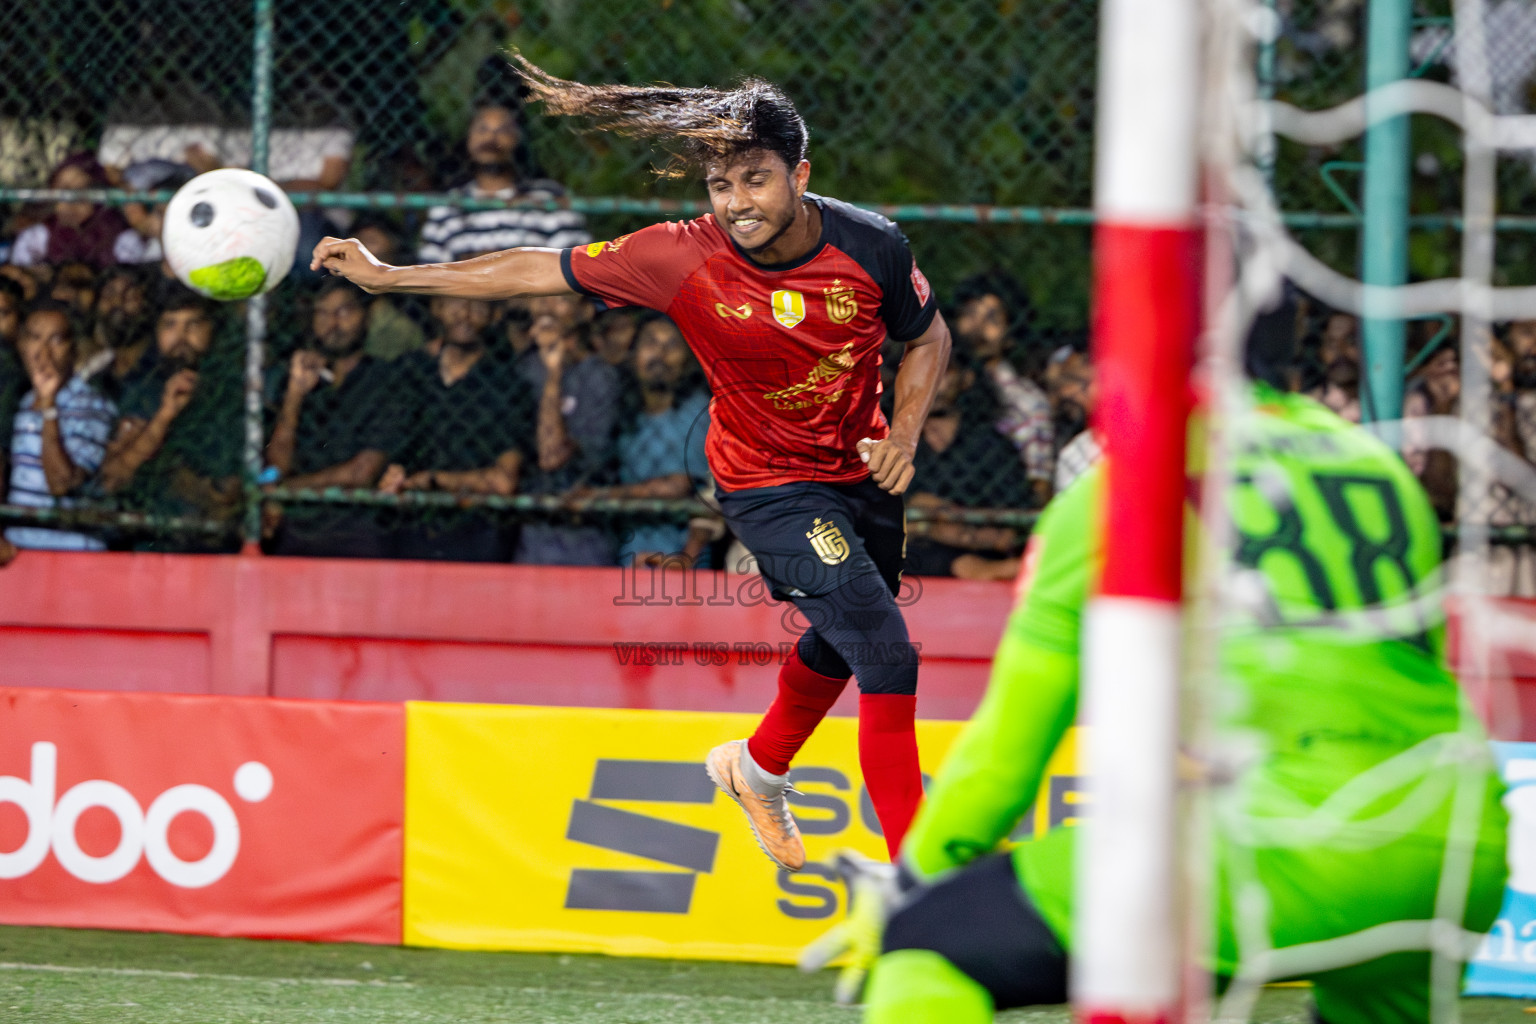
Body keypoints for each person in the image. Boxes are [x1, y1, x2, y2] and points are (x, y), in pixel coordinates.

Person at [311, 59, 952, 868]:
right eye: (721, 185)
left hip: (858, 470)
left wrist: (902, 438)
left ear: (801, 175)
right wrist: (393, 275)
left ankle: (757, 768)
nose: (737, 204)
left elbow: (928, 336)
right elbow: (536, 268)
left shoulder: (873, 246)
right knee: (886, 650)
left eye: (755, 180)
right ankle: (921, 889)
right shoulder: (680, 255)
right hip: (766, 482)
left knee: (847, 629)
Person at [836, 296, 1509, 1024]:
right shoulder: (1375, 467)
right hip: (1459, 838)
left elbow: (1005, 760)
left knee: (928, 946)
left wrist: (912, 885)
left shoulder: (1127, 488)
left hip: (1295, 843)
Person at [262, 279, 412, 558]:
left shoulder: (386, 379)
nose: (333, 323)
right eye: (322, 313)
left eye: (344, 311)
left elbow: (362, 473)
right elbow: (275, 466)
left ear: (365, 317)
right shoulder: (299, 378)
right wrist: (295, 395)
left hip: (356, 529)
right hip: (298, 528)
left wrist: (284, 490)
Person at [381, 295, 535, 562]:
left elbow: (503, 481)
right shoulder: (412, 373)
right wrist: (392, 475)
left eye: (476, 305)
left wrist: (434, 480)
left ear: (494, 315)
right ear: (436, 307)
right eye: (454, 303)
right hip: (413, 528)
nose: (464, 315)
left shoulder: (505, 385)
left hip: (478, 533)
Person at [98, 286, 243, 546]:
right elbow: (114, 478)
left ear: (211, 330)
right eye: (170, 325)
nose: (181, 336)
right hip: (146, 540)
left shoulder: (231, 394)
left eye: (193, 324)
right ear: (157, 333)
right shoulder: (140, 390)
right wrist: (165, 414)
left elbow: (228, 496)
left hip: (211, 547)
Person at [577, 314, 714, 566]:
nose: (659, 355)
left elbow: (677, 486)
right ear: (633, 356)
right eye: (650, 343)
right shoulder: (627, 413)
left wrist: (599, 496)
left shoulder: (696, 412)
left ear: (686, 360)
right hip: (631, 554)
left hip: (679, 558)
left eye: (671, 346)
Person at [904, 348, 1031, 580]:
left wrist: (939, 522)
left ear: (966, 379)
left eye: (942, 370)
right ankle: (962, 564)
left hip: (982, 557)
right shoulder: (892, 440)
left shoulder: (990, 446)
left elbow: (1012, 534)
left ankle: (964, 563)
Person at [514, 297, 622, 566]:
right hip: (530, 525)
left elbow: (552, 456)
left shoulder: (600, 377)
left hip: (583, 528)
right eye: (542, 296)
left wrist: (553, 375)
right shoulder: (524, 369)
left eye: (560, 298)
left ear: (585, 311)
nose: (547, 306)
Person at [5, 299, 117, 553]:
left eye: (55, 341)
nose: (42, 353)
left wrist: (50, 409)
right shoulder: (23, 399)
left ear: (74, 349)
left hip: (70, 551)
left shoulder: (92, 406)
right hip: (20, 548)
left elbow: (61, 484)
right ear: (21, 345)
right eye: (34, 338)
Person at [416, 103, 590, 264]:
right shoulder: (448, 206)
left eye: (503, 130)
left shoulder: (547, 198)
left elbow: (574, 265)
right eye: (482, 129)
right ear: (468, 139)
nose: (491, 138)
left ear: (518, 140)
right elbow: (431, 272)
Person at [953, 272, 1054, 507]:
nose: (976, 328)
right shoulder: (934, 385)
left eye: (992, 319)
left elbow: (1038, 484)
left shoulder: (1027, 402)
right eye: (969, 314)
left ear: (1011, 335)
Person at [7, 154, 142, 270]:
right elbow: (22, 261)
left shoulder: (116, 230)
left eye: (78, 194)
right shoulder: (42, 232)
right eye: (63, 191)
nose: (69, 205)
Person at [1305, 307, 1363, 423]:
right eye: (1331, 344)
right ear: (1320, 352)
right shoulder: (1307, 408)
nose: (1340, 351)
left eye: (1352, 341)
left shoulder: (1388, 405)